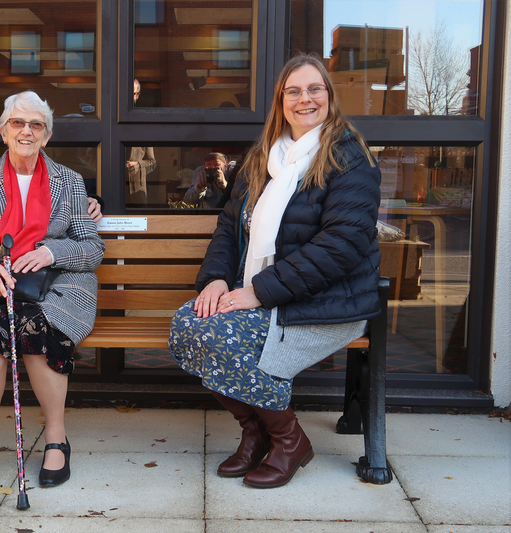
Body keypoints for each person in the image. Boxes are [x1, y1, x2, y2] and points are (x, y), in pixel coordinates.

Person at [169, 53, 381, 489]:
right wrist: (215, 279)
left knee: (220, 335)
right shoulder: (263, 157)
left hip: (326, 303)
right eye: (294, 91)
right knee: (189, 324)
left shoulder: (349, 157)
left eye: (314, 89)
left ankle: (289, 440)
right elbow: (230, 227)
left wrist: (259, 292)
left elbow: (341, 246)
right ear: (281, 101)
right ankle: (257, 432)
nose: (305, 99)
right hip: (265, 294)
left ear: (328, 95)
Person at [0, 91, 105, 490]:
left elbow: (92, 248)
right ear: (3, 131)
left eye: (36, 124)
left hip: (59, 285)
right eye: (18, 123)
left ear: (47, 135)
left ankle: (55, 437)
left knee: (36, 324)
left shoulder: (69, 182)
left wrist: (51, 251)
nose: (27, 131)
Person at [126, 79, 157, 205]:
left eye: (132, 93)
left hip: (136, 186)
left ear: (137, 95)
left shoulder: (143, 125)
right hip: (113, 182)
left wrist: (138, 164)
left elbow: (152, 162)